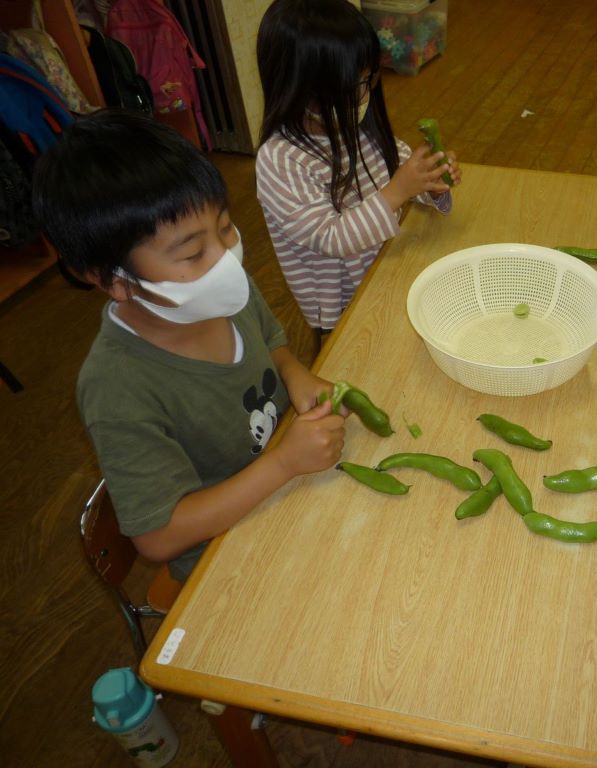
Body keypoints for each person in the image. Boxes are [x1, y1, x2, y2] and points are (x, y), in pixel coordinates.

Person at [32, 111, 348, 582]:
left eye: (224, 228)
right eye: (192, 252)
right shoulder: (117, 388)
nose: (225, 259)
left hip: (292, 491)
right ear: (112, 281)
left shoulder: (216, 288)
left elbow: (271, 343)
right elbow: (158, 538)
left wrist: (294, 374)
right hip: (227, 560)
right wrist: (283, 463)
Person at [255, 0, 462, 336]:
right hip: (343, 313)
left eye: (367, 80)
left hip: (390, 274)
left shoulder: (357, 124)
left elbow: (401, 167)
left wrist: (429, 184)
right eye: (351, 87)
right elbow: (331, 237)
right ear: (297, 85)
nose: (363, 96)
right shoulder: (281, 161)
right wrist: (398, 191)